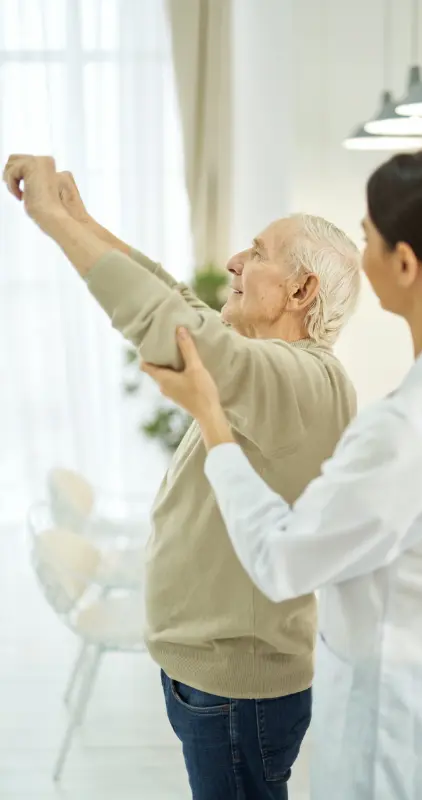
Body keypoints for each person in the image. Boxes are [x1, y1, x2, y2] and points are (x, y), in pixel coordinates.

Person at [138, 144, 422, 800]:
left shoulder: (408, 426)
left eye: (366, 236)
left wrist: (211, 417)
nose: (360, 254)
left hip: (406, 750)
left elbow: (283, 561)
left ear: (402, 264)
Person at [2, 155, 361, 799]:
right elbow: (182, 302)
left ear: (302, 290)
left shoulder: (303, 380)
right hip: (212, 681)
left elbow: (176, 326)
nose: (234, 261)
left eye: (258, 253)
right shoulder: (265, 366)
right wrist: (83, 221)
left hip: (235, 691)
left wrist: (54, 221)